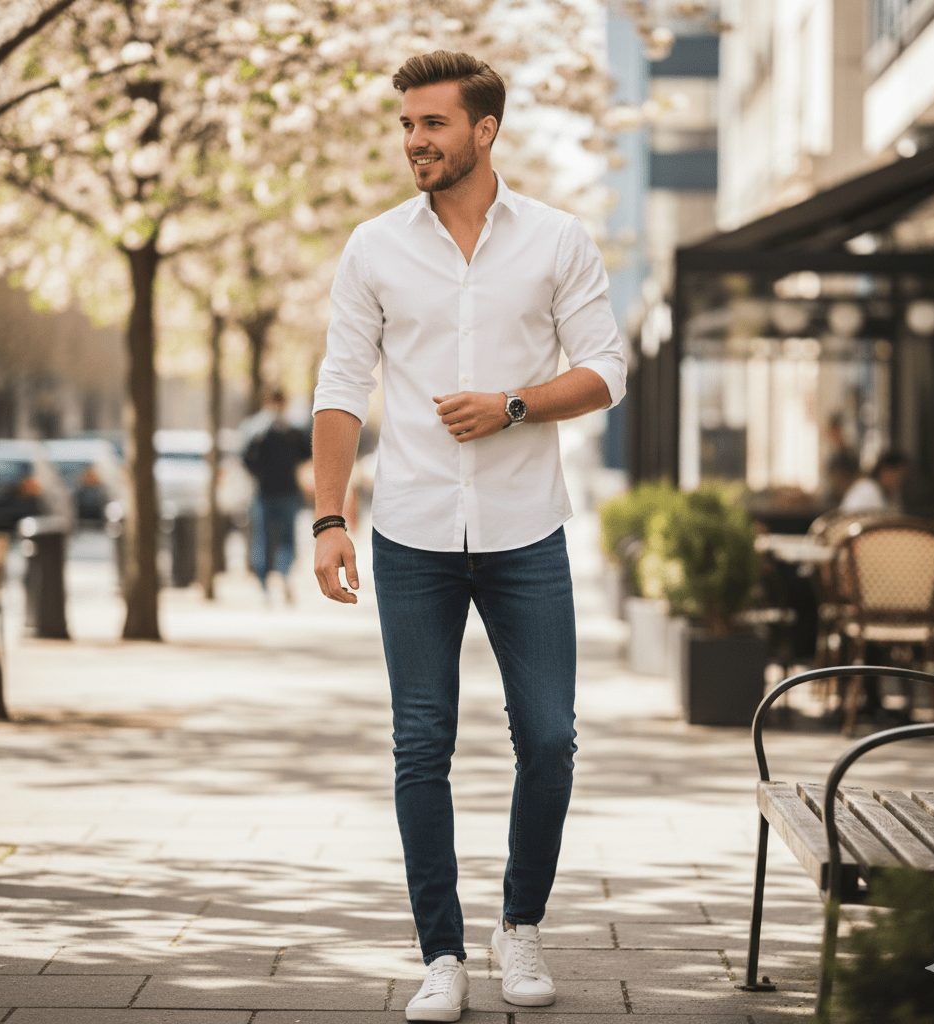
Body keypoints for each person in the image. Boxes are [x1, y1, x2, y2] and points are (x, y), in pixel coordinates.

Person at [310, 50, 626, 1023]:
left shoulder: (556, 240)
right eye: (406, 125)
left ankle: (518, 925)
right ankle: (440, 952)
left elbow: (606, 368)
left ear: (483, 131)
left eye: (432, 124)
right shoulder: (373, 248)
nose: (415, 141)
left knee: (549, 738)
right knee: (420, 744)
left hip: (526, 530)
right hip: (409, 531)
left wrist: (515, 404)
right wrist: (330, 518)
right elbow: (339, 386)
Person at [241, 388, 312, 603]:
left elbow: (305, 451)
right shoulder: (256, 428)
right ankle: (263, 584)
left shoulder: (290, 429)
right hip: (264, 493)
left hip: (288, 492)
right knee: (262, 540)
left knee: (287, 540)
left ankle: (284, 575)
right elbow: (245, 456)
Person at [840, 450, 908, 514]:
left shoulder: (888, 494)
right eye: (898, 476)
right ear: (885, 472)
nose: (899, 481)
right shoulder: (868, 490)